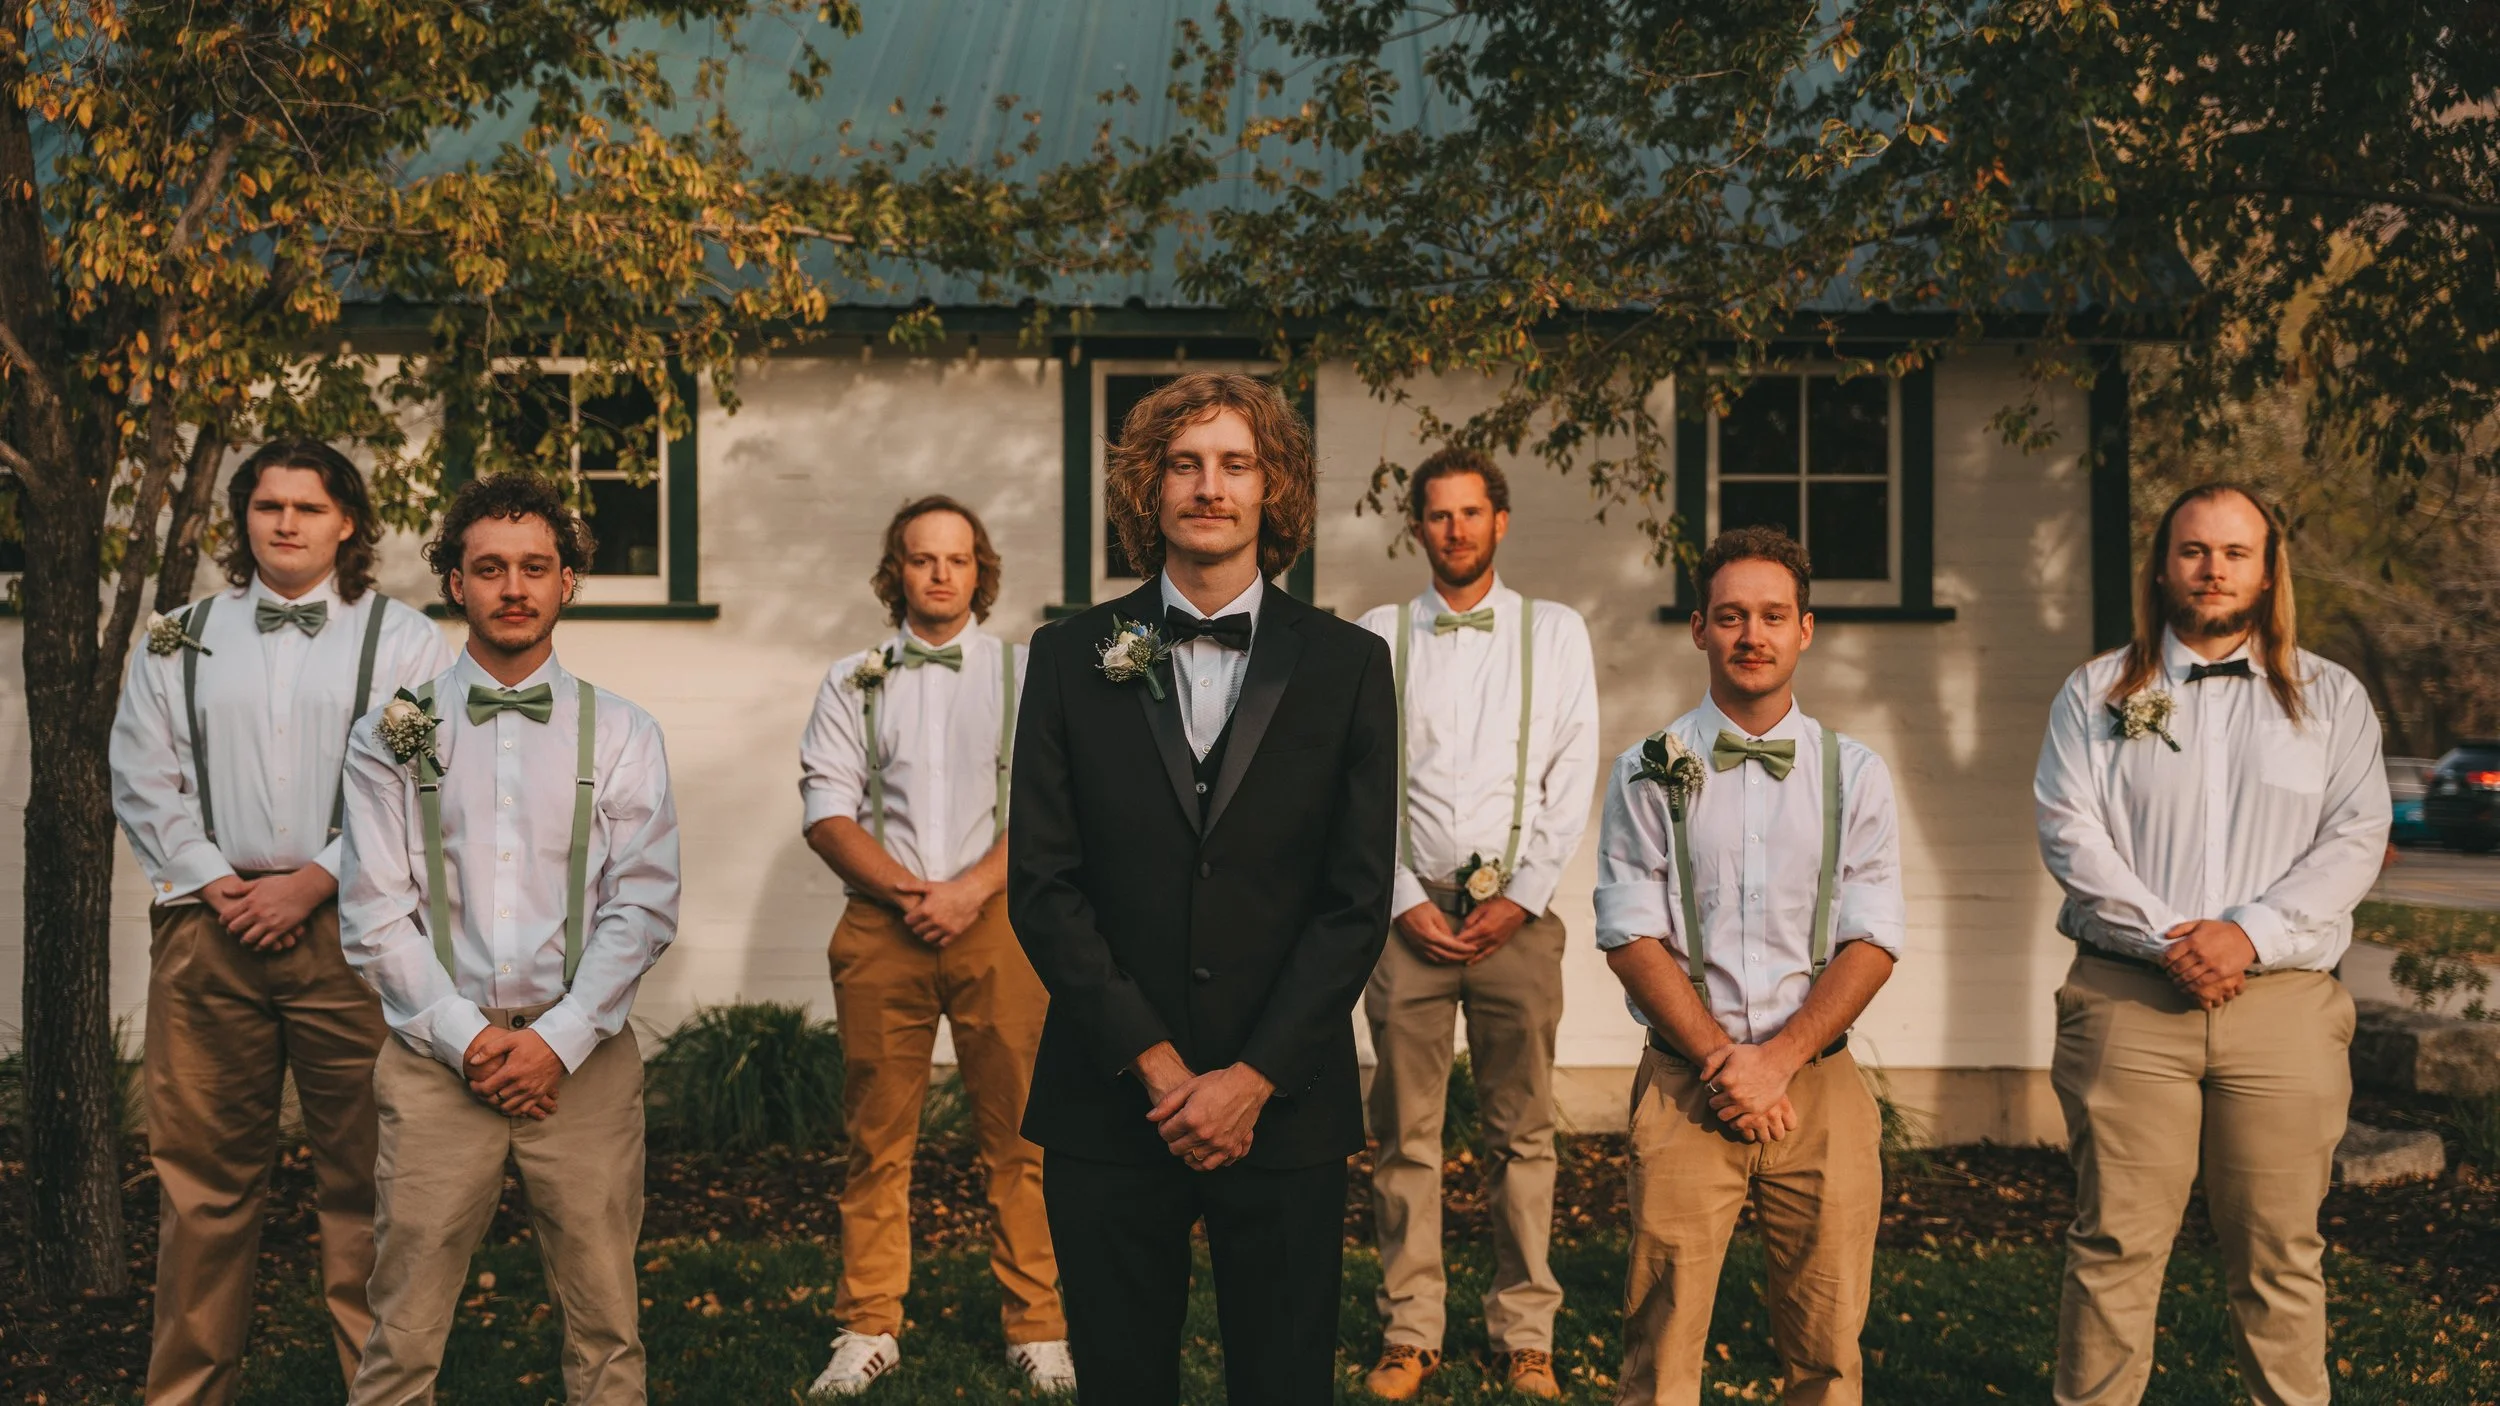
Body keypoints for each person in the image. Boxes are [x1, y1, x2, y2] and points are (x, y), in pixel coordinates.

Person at [1008, 371, 1397, 1405]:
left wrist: (1250, 1079)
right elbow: (1043, 885)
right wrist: (1156, 1064)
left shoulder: (1351, 665)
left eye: (1235, 464)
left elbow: (1356, 899)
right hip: (1109, 1099)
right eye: (1184, 464)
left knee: (1284, 1383)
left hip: (1285, 1103)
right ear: (1150, 487)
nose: (1209, 487)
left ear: (1275, 487)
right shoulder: (1068, 655)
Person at [110, 439, 452, 1404]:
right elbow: (142, 776)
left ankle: (384, 1395)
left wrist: (312, 884)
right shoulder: (176, 637)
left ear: (348, 523)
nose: (287, 523)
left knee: (369, 1184)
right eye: (269, 506)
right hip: (207, 935)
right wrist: (217, 883)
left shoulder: (405, 641)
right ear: (245, 520)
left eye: (308, 506)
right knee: (201, 1189)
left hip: (356, 934)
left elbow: (421, 778)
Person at [2034, 483, 2388, 1406]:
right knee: (2114, 1245)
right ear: (2162, 567)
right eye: (2193, 550)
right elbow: (2070, 831)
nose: (2213, 569)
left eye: (2235, 552)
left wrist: (2247, 936)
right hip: (2128, 1000)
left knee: (2281, 1252)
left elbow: (2355, 839)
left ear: (2268, 572)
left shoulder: (2333, 698)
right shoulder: (2097, 692)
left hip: (2285, 1011)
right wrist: (2176, 942)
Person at [337, 473, 680, 1404]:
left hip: (584, 1062)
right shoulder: (390, 734)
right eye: (490, 568)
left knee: (606, 1325)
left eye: (535, 567)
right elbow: (373, 912)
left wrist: (557, 1040)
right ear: (457, 583)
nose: (514, 587)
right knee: (402, 1328)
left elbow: (642, 904)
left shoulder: (624, 732)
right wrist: (470, 1040)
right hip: (435, 1060)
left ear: (568, 581)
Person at [1593, 526, 1905, 1406]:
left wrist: (1779, 1060)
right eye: (1730, 616)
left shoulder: (1856, 774)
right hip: (1684, 1086)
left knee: (1828, 1349)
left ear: (1805, 629)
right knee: (1661, 1349)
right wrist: (1723, 1060)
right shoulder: (1647, 769)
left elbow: (1874, 938)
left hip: (1822, 1089)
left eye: (1772, 616)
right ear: (1699, 628)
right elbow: (1629, 933)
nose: (1751, 635)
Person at [797, 495, 1072, 1395]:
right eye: (923, 558)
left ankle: (1037, 1327)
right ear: (898, 572)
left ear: (980, 570)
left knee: (1023, 1135)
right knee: (877, 1139)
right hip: (884, 926)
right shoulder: (852, 677)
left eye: (957, 558)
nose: (941, 573)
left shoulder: (1027, 673)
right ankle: (868, 1325)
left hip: (1002, 924)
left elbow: (1053, 806)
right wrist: (913, 893)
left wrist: (969, 891)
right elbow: (827, 810)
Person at [1354, 449, 1599, 1401]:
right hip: (1405, 921)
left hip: (1518, 924)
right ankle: (1410, 1330)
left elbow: (1571, 771)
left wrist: (1521, 896)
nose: (1454, 529)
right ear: (1417, 527)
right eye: (1437, 514)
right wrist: (1400, 896)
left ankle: (1524, 1333)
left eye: (1470, 512)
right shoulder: (1379, 635)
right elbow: (1355, 777)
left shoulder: (1556, 632)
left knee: (1522, 1134)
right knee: (1403, 1136)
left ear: (1500, 521)